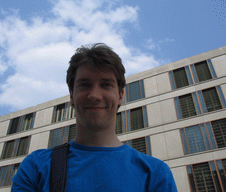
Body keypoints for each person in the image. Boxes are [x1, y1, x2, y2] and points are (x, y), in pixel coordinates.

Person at [12, 43, 178, 191]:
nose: (95, 95)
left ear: (120, 95)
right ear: (71, 95)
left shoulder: (155, 174)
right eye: (85, 85)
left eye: (105, 85)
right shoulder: (35, 167)